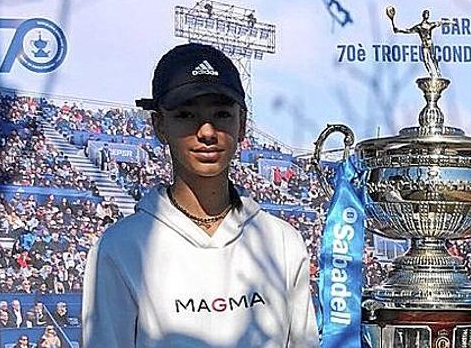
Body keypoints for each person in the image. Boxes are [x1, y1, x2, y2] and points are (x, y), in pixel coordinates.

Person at [82, 43, 317, 347]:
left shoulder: (282, 242)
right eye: (186, 115)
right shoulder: (119, 247)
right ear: (159, 125)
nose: (207, 131)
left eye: (221, 114)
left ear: (242, 124)